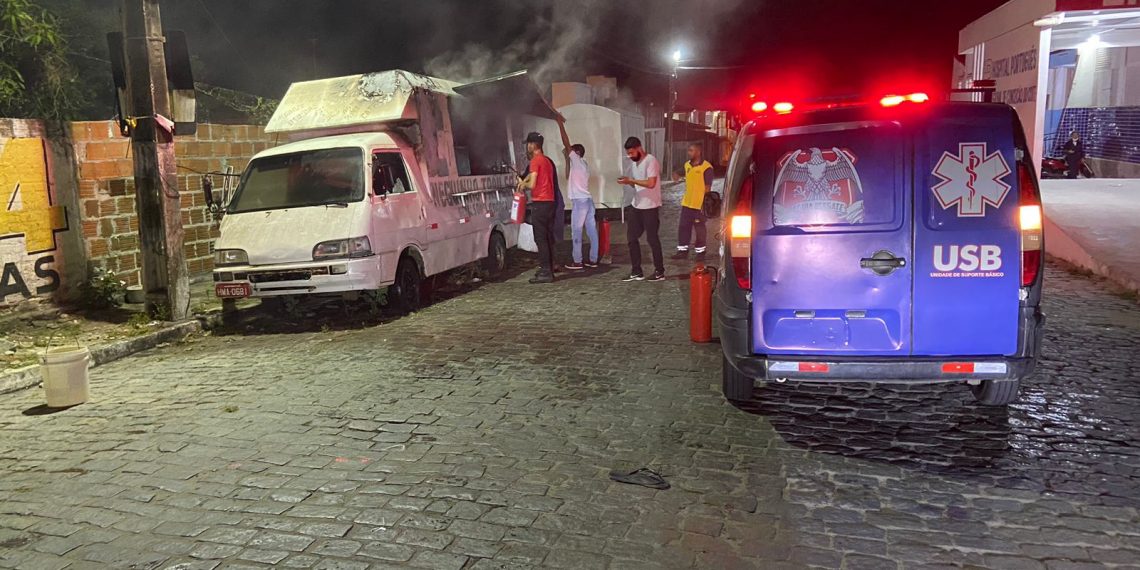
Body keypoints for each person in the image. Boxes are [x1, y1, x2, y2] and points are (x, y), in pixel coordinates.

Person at [617, 137, 665, 282]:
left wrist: (631, 180)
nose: (630, 156)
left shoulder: (651, 161)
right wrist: (628, 182)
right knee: (631, 238)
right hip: (637, 205)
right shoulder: (634, 164)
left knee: (652, 239)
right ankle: (636, 271)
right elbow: (637, 184)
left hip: (650, 206)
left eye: (632, 152)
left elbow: (651, 183)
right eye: (628, 154)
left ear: (639, 148)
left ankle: (659, 271)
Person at [558, 120, 598, 270]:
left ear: (577, 153)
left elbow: (566, 141)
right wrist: (566, 159)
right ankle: (593, 260)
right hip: (587, 201)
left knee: (576, 231)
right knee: (592, 231)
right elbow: (567, 176)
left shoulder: (578, 161)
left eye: (572, 152)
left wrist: (560, 124)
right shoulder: (582, 164)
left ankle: (577, 261)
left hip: (580, 203)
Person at [518, 132, 557, 283]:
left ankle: (545, 271)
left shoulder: (535, 160)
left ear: (533, 145)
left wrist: (523, 185)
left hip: (540, 202)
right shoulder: (547, 161)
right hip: (550, 202)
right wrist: (524, 180)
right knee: (547, 237)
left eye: (529, 144)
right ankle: (548, 268)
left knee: (540, 238)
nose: (527, 146)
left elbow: (533, 184)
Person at [672, 143, 714, 259]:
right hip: (687, 203)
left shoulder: (707, 167)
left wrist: (705, 205)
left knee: (699, 228)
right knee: (683, 227)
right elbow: (679, 173)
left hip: (699, 204)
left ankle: (700, 252)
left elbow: (708, 188)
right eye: (689, 150)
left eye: (691, 150)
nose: (689, 152)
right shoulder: (687, 165)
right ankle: (682, 251)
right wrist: (676, 175)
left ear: (698, 152)